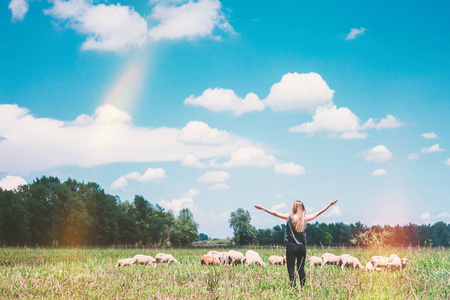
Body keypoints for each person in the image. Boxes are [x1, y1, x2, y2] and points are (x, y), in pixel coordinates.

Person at [254, 199, 338, 287]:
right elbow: (318, 213)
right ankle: (302, 287)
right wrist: (329, 205)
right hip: (301, 247)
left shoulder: (289, 217)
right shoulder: (304, 219)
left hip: (291, 246)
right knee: (301, 268)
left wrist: (264, 208)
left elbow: (275, 213)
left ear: (294, 208)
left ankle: (293, 288)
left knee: (291, 268)